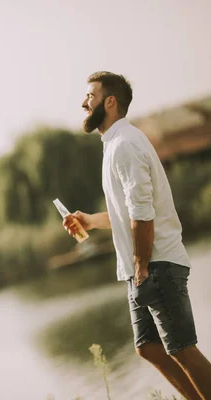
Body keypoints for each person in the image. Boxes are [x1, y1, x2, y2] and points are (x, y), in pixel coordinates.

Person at [63, 71, 211, 399]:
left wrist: (142, 266)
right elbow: (129, 214)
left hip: (156, 265)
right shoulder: (115, 143)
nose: (84, 103)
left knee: (183, 350)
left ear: (110, 101)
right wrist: (90, 221)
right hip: (142, 269)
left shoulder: (125, 144)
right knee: (149, 348)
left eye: (90, 96)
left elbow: (143, 214)